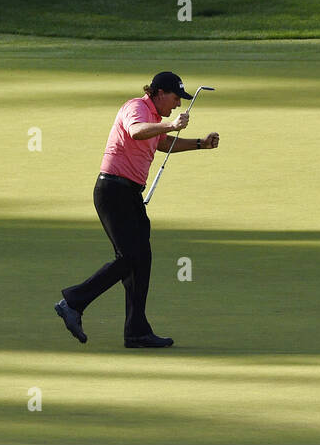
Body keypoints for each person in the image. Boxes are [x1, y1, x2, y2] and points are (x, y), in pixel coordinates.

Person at [56, 72, 219, 349]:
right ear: (158, 93)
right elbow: (135, 130)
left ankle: (137, 331)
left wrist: (200, 144)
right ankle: (73, 301)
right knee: (130, 256)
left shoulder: (155, 120)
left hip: (130, 194)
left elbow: (163, 144)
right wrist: (169, 124)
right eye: (175, 97)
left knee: (141, 259)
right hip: (112, 192)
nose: (178, 104)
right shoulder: (137, 108)